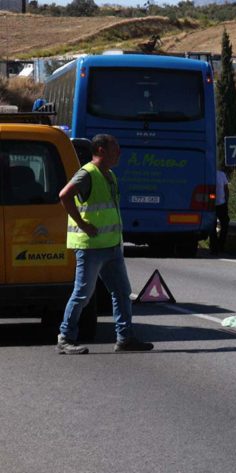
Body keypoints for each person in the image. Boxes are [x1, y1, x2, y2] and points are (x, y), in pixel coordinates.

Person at [56, 134, 153, 354]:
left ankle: (125, 338)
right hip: (90, 247)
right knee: (83, 294)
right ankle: (65, 338)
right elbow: (64, 195)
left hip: (110, 247)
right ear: (100, 150)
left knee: (121, 292)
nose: (119, 153)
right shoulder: (86, 173)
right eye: (115, 148)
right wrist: (82, 224)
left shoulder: (109, 175)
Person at [210, 168, 230, 255]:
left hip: (222, 204)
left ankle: (220, 245)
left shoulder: (221, 174)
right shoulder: (208, 173)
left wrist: (226, 201)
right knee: (212, 226)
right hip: (211, 206)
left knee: (225, 224)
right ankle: (214, 247)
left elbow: (226, 189)